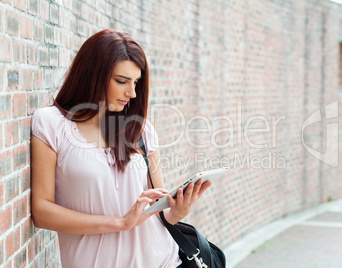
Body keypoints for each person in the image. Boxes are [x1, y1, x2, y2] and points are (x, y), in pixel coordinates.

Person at [30, 29, 212, 268]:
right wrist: (120, 222)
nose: (132, 92)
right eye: (121, 81)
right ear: (93, 74)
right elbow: (41, 211)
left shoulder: (141, 130)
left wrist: (177, 212)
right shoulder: (50, 123)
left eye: (136, 82)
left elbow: (155, 211)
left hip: (164, 262)